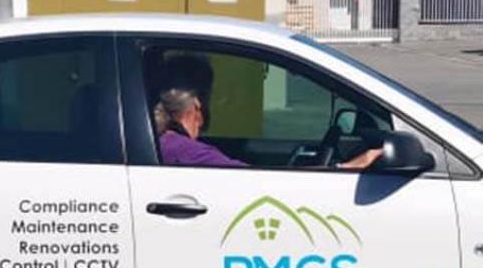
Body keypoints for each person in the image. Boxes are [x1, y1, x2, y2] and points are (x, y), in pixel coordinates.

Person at [154, 88, 383, 170]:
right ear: (196, 106)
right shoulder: (185, 151)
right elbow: (256, 181)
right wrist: (345, 167)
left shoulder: (166, 144)